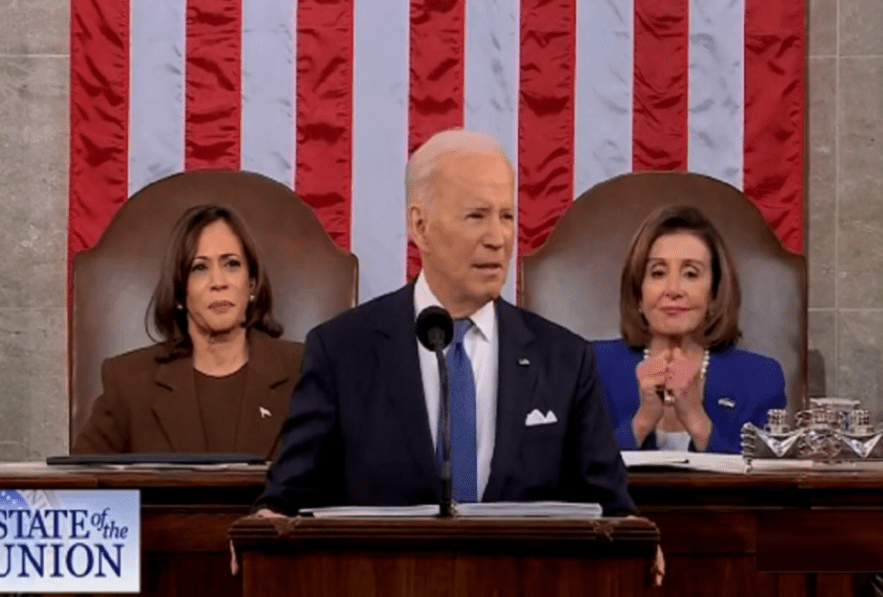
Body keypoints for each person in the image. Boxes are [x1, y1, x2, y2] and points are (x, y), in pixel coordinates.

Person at [254, 129, 635, 517]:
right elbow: (287, 501)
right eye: (476, 216)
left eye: (506, 217)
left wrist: (633, 537)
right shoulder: (341, 352)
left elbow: (611, 511)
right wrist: (268, 524)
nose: (498, 239)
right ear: (421, 227)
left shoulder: (565, 360)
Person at [73, 204, 305, 458]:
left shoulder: (304, 372)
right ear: (180, 292)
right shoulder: (128, 383)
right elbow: (78, 493)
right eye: (199, 268)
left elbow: (341, 482)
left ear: (251, 284)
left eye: (232, 264)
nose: (219, 282)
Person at [592, 205, 786, 453]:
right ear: (638, 294)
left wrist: (697, 421)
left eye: (691, 274)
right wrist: (641, 423)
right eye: (658, 273)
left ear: (715, 294)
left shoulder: (761, 379)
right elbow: (575, 474)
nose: (673, 290)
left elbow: (768, 485)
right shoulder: (593, 368)